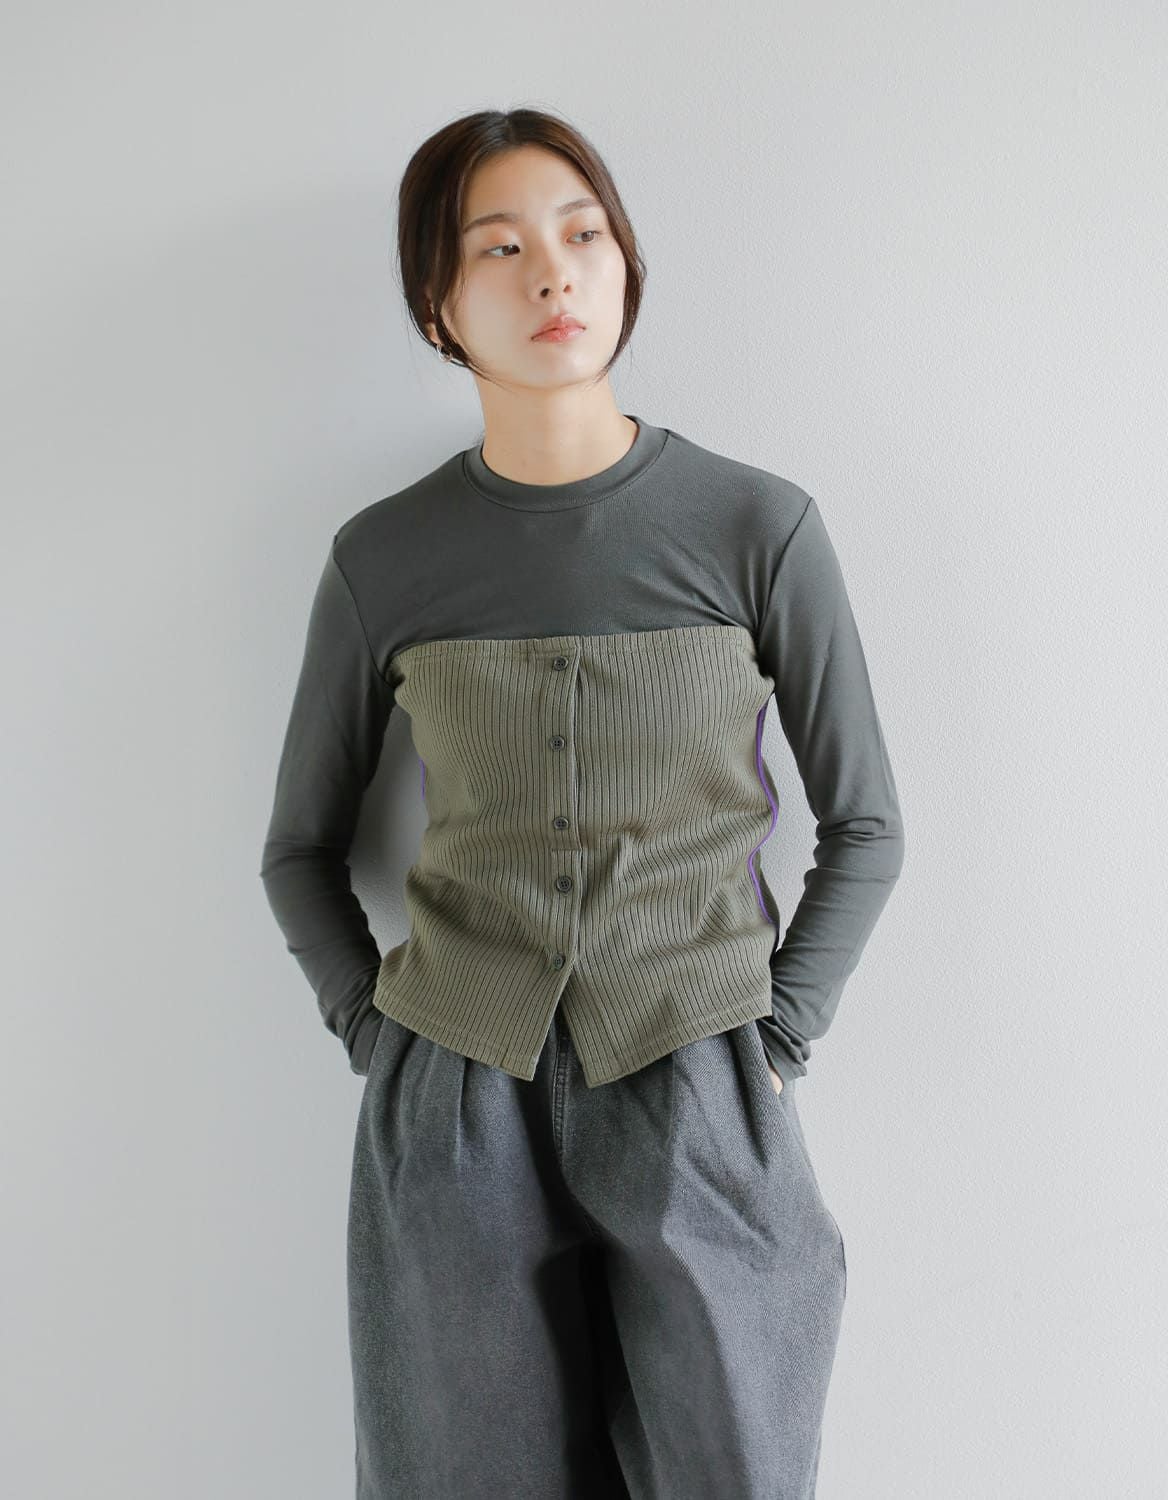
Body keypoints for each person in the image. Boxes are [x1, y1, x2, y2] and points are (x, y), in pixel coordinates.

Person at [259, 106, 905, 1500]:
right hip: (453, 1102)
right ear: (439, 302)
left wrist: (778, 1036)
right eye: (498, 247)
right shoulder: (385, 559)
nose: (551, 272)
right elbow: (299, 851)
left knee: (732, 1467)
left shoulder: (757, 527)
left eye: (583, 233)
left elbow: (867, 826)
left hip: (701, 1070)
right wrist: (378, 1036)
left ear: (625, 263)